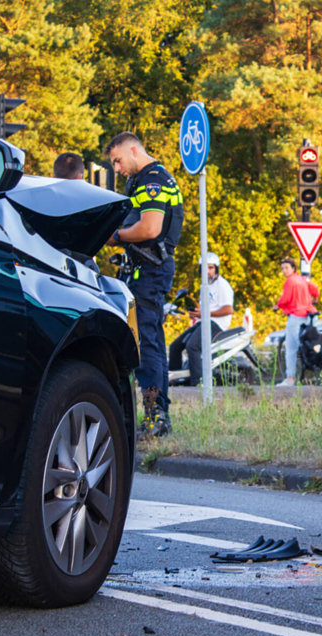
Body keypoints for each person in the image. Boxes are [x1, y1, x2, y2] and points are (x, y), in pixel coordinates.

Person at [105, 132, 184, 438]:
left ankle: (155, 417)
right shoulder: (146, 178)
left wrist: (115, 237)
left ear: (134, 150)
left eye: (118, 160)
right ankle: (157, 415)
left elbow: (150, 227)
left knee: (146, 345)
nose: (117, 168)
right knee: (153, 344)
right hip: (148, 269)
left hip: (149, 270)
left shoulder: (153, 179)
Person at [169, 252, 234, 386]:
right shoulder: (204, 286)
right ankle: (173, 380)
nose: (208, 271)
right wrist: (196, 313)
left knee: (192, 346)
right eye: (204, 268)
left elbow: (228, 309)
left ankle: (197, 383)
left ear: (216, 268)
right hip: (203, 321)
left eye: (211, 267)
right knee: (175, 346)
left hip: (217, 323)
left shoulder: (222, 285)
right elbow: (205, 309)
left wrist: (204, 314)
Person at [274, 257, 319, 386]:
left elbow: (285, 299)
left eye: (286, 268)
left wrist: (278, 305)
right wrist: (314, 299)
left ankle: (290, 379)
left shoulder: (290, 281)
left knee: (291, 348)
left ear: (293, 268)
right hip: (310, 315)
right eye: (282, 268)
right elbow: (315, 290)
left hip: (297, 317)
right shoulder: (302, 279)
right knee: (312, 343)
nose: (284, 271)